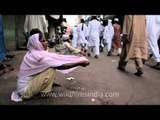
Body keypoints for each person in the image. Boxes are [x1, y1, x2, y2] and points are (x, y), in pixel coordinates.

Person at [11, 32, 90, 102]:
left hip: (23, 88)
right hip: (25, 92)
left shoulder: (33, 52)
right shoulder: (39, 56)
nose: (46, 42)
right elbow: (60, 66)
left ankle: (43, 87)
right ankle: (44, 92)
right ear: (36, 43)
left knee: (48, 66)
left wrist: (77, 59)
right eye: (43, 41)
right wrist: (79, 63)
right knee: (51, 69)